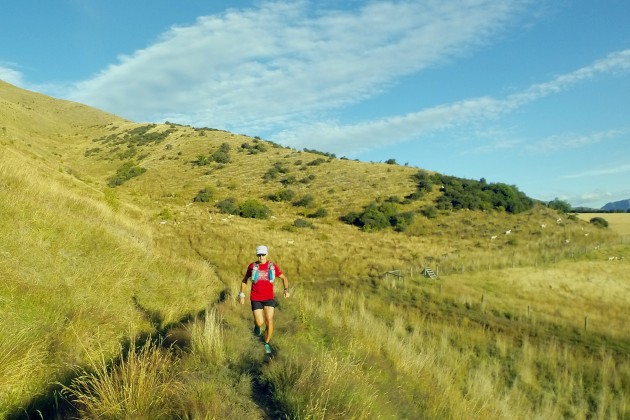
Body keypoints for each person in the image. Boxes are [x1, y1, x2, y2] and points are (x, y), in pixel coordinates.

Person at [238, 245, 289, 354]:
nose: (261, 257)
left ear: (267, 254)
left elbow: (284, 278)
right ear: (257, 255)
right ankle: (256, 325)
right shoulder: (252, 266)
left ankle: (266, 343)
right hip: (256, 298)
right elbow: (245, 279)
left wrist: (286, 289)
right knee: (260, 322)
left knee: (269, 321)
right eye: (259, 255)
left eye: (263, 255)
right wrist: (242, 294)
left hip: (269, 298)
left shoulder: (272, 266)